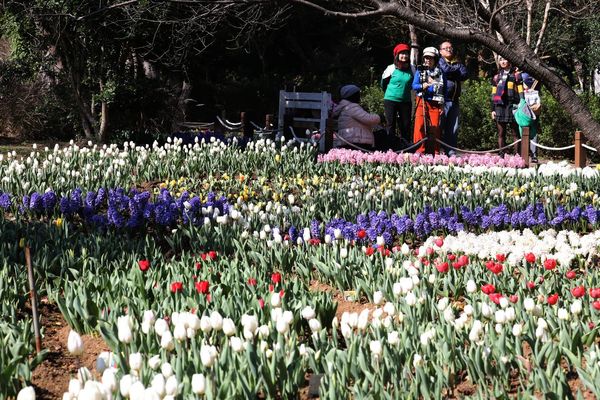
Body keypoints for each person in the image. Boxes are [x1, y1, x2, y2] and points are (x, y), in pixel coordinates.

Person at [412, 47, 446, 154]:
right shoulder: (419, 70)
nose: (428, 60)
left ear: (435, 59)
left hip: (435, 103)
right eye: (426, 58)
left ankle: (436, 153)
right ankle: (419, 152)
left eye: (430, 58)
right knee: (419, 126)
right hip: (422, 100)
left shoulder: (440, 72)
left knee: (435, 128)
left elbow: (443, 89)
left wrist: (441, 105)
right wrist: (424, 85)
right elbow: (414, 86)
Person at [438, 41, 468, 156]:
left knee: (453, 129)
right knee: (439, 127)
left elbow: (464, 74)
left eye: (450, 47)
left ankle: (450, 152)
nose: (449, 49)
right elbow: (445, 70)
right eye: (446, 48)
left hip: (455, 100)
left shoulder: (457, 62)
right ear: (441, 51)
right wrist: (456, 71)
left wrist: (453, 71)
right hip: (442, 101)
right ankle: (436, 151)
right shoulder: (439, 61)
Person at [381, 43, 414, 148]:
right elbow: (383, 84)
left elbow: (415, 84)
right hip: (390, 100)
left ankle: (406, 148)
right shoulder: (391, 68)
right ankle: (390, 149)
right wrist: (391, 94)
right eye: (402, 54)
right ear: (397, 55)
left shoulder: (412, 68)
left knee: (406, 125)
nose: (404, 56)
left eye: (406, 53)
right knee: (391, 124)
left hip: (406, 101)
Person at [491, 56, 523, 155]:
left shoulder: (516, 75)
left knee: (515, 133)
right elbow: (493, 95)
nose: (503, 61)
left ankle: (517, 156)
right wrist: (493, 109)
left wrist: (522, 104)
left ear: (510, 61)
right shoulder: (496, 77)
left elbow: (521, 91)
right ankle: (501, 156)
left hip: (513, 106)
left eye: (505, 59)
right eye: (501, 60)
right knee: (501, 133)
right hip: (499, 106)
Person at [332, 84, 381, 150]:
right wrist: (380, 117)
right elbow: (369, 119)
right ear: (352, 96)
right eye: (358, 95)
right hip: (355, 141)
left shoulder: (344, 107)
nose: (359, 97)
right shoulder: (352, 107)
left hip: (348, 140)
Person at [521, 72, 541, 163]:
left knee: (533, 133)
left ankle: (534, 154)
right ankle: (523, 153)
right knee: (522, 132)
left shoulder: (535, 90)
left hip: (533, 113)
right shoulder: (519, 75)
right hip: (523, 114)